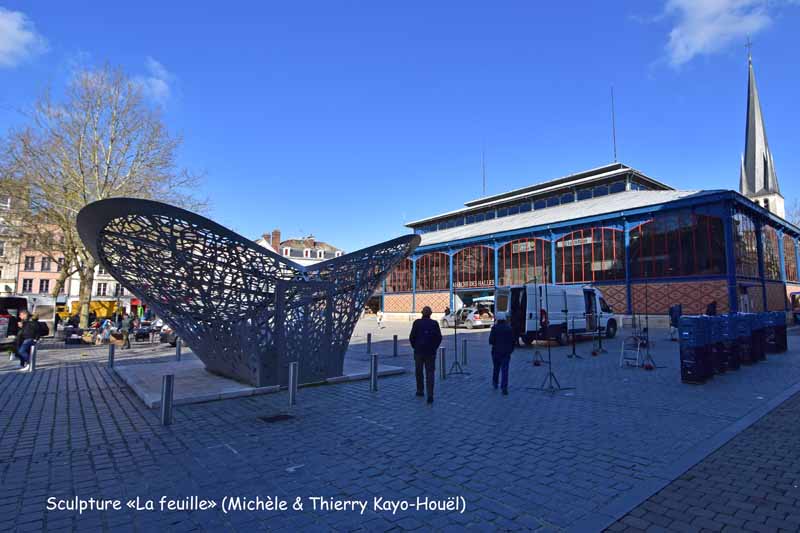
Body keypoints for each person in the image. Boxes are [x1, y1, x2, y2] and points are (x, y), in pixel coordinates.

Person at [409, 306, 442, 404]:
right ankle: (430, 394)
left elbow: (412, 337)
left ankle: (420, 390)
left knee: (419, 371)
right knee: (430, 373)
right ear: (431, 314)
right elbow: (439, 337)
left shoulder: (417, 323)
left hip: (419, 351)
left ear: (422, 313)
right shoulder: (434, 323)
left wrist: (415, 346)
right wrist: (434, 347)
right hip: (430, 352)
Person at [489, 311, 515, 395]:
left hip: (496, 352)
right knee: (505, 370)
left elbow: (491, 341)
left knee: (496, 368)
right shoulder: (509, 328)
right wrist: (510, 350)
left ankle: (495, 383)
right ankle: (504, 388)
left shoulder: (494, 328)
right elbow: (513, 341)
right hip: (506, 353)